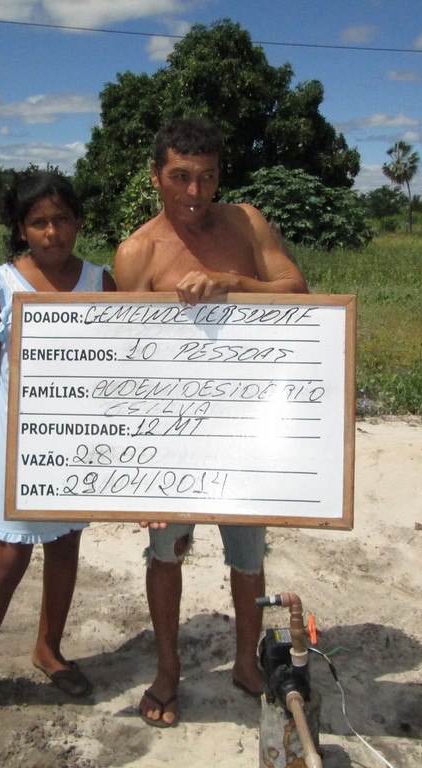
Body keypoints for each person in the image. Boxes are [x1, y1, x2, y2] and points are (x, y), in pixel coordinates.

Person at [114, 115, 309, 728]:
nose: (194, 192)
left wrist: (233, 282)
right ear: (155, 176)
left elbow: (297, 291)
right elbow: (126, 362)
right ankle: (168, 670)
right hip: (169, 437)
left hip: (244, 426)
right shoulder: (137, 253)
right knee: (165, 551)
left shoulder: (246, 222)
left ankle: (247, 663)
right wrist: (139, 473)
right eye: (180, 177)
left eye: (206, 177)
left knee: (248, 553)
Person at [0, 171, 117, 744]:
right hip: (20, 446)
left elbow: (123, 361)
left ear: (78, 222)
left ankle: (49, 648)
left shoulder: (100, 281)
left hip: (76, 443)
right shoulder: (0, 285)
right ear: (21, 228)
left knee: (66, 545)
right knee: (7, 557)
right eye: (39, 222)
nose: (52, 232)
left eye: (62, 219)